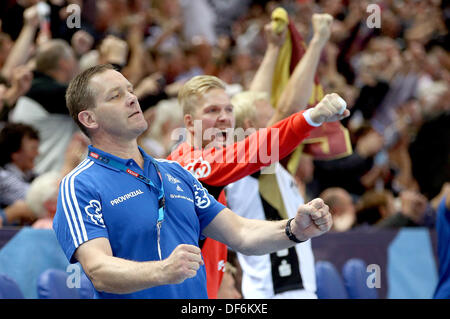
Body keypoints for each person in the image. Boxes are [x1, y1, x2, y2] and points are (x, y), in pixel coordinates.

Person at [53, 64, 336, 299]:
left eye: (130, 90)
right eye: (115, 95)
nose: (131, 98)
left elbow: (242, 234)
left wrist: (294, 229)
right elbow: (99, 271)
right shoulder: (80, 184)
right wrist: (163, 271)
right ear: (89, 118)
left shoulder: (175, 173)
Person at [167, 14, 338, 298]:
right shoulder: (192, 166)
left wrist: (273, 49)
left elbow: (254, 102)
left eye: (228, 111)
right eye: (211, 112)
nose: (224, 119)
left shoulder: (226, 160)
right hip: (277, 287)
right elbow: (283, 116)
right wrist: (312, 114)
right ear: (188, 122)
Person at [225, 91, 317, 299]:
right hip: (278, 286)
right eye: (271, 119)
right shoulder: (250, 165)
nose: (280, 125)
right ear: (250, 127)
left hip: (291, 286)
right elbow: (290, 108)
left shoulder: (272, 168)